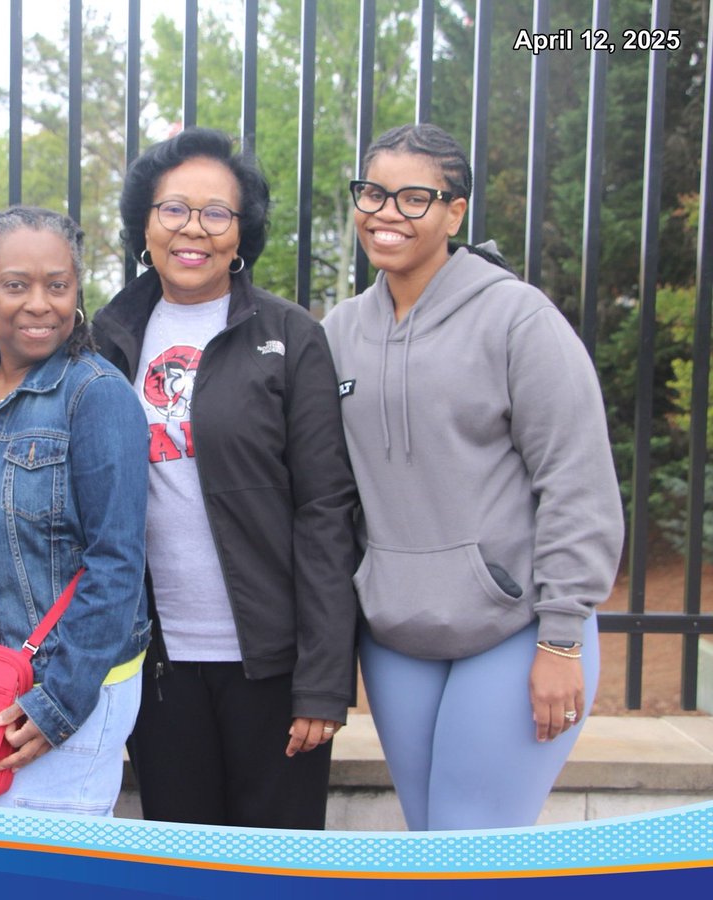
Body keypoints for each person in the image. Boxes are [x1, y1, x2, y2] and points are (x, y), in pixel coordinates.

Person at [322, 123, 624, 830]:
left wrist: (560, 640)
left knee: (473, 840)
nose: (386, 213)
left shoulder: (517, 319)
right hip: (398, 632)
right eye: (373, 193)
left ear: (454, 213)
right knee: (431, 837)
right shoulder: (339, 331)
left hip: (515, 626)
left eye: (413, 197)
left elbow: (576, 481)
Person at [92, 127, 358, 829]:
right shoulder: (106, 337)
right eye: (173, 209)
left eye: (217, 213)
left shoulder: (291, 336)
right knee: (183, 865)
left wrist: (323, 682)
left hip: (269, 668)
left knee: (279, 869)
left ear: (242, 233)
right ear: (144, 224)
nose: (193, 230)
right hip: (154, 667)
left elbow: (327, 511)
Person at [0, 206, 150, 815]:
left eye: (58, 285)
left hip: (51, 691)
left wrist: (60, 703)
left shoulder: (97, 396)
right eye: (16, 285)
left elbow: (117, 563)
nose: (39, 304)